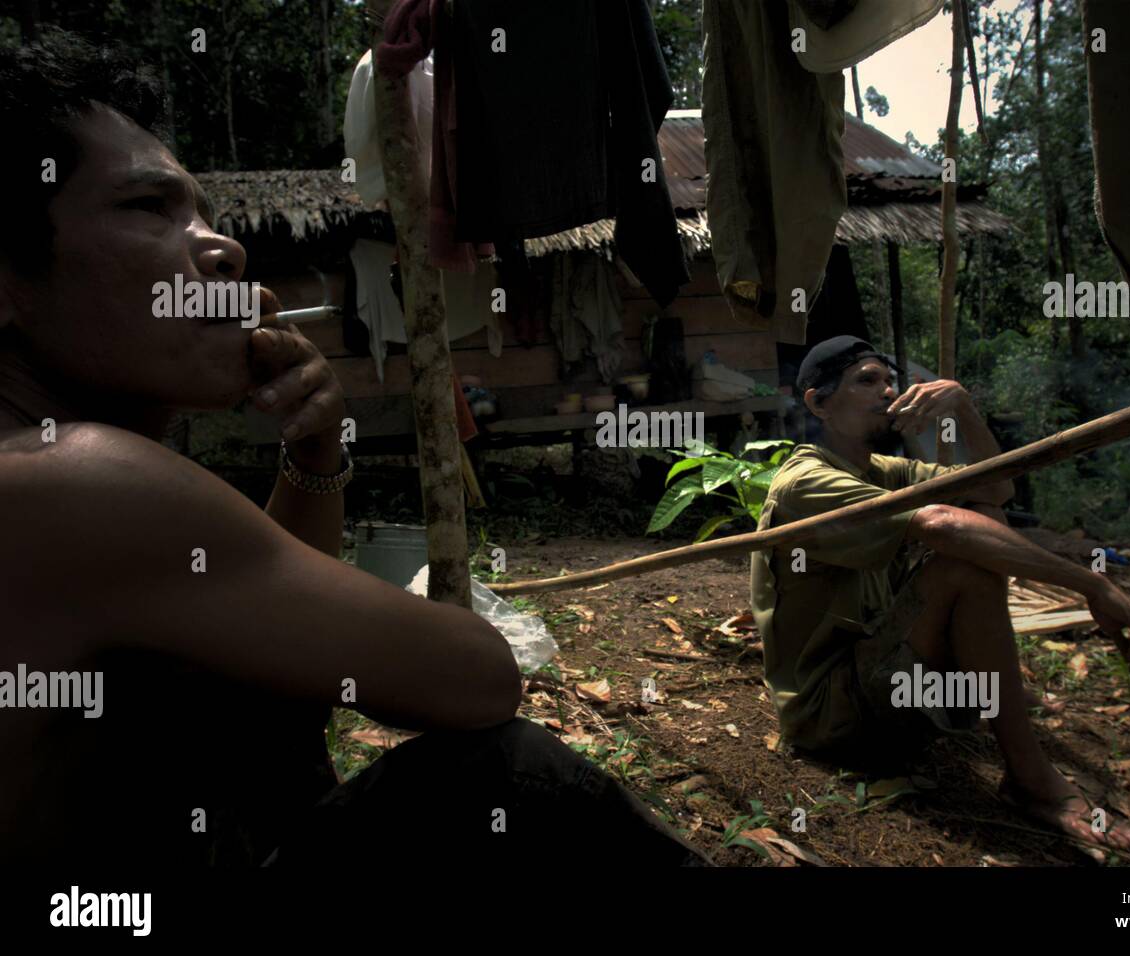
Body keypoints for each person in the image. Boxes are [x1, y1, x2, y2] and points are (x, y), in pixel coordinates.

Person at [0, 31, 706, 867]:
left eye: (208, 217)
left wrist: (316, 447)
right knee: (506, 777)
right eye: (148, 208)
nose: (222, 247)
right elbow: (478, 677)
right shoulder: (71, 482)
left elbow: (276, 665)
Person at [751, 336, 1130, 847]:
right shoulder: (805, 481)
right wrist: (1091, 585)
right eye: (867, 380)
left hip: (883, 680)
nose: (887, 391)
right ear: (818, 403)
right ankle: (1033, 782)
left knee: (984, 521)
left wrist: (963, 407)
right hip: (833, 714)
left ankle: (986, 698)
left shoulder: (878, 470)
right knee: (964, 563)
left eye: (888, 380)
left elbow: (992, 490)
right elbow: (943, 524)